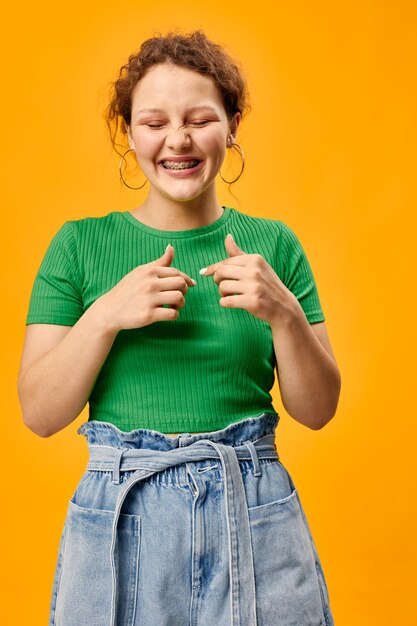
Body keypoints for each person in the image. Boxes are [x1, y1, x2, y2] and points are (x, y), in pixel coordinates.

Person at [18, 29, 340, 626]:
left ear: (232, 123)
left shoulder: (275, 247)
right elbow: (39, 413)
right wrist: (107, 314)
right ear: (129, 133)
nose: (178, 140)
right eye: (154, 122)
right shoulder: (79, 246)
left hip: (253, 506)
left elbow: (318, 410)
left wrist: (285, 314)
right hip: (122, 511)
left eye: (200, 118)